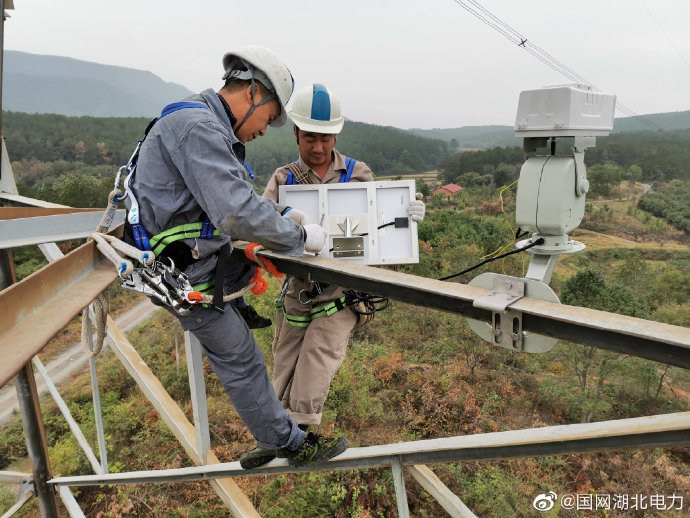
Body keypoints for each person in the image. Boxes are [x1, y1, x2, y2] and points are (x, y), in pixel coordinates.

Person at [122, 47, 347, 469]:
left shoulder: (194, 120)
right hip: (185, 276)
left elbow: (233, 197)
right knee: (241, 359)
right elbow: (236, 213)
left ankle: (271, 427)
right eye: (269, 117)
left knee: (240, 351)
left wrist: (282, 212)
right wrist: (299, 236)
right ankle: (287, 443)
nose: (263, 131)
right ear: (254, 93)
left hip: (186, 262)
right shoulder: (200, 128)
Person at [246, 83, 425, 467]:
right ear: (296, 133)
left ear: (336, 137)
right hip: (299, 285)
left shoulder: (357, 173)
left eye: (325, 139)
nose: (317, 147)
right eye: (310, 138)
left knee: (319, 353)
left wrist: (406, 215)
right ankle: (272, 435)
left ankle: (297, 435)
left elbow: (379, 222)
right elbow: (258, 219)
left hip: (344, 289)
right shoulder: (285, 179)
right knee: (286, 355)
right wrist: (283, 224)